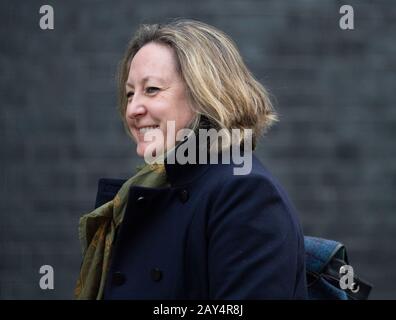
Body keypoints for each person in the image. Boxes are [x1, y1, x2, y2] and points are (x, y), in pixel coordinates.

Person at [75, 19, 308, 300]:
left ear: (205, 94)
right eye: (129, 93)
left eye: (151, 90)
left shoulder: (245, 193)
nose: (132, 109)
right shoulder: (153, 190)